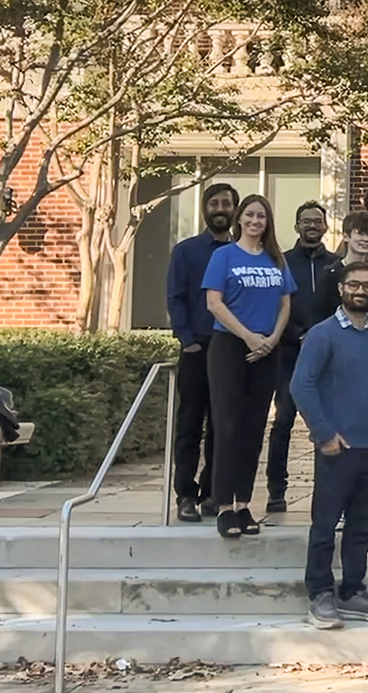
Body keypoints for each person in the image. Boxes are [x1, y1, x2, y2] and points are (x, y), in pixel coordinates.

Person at [292, 261, 368, 630]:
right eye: (353, 284)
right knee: (325, 525)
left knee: (361, 527)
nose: (360, 291)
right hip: (337, 448)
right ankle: (320, 593)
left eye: (367, 286)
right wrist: (323, 433)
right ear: (341, 289)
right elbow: (300, 386)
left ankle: (352, 591)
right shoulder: (323, 334)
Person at [202, 194, 294, 539]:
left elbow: (286, 305)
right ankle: (224, 506)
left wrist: (270, 339)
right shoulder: (224, 255)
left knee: (254, 430)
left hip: (266, 350)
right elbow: (214, 303)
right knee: (227, 427)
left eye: (262, 216)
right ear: (240, 219)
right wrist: (248, 337)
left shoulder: (276, 259)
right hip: (230, 347)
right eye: (250, 215)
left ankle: (243, 503)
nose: (256, 221)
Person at [166, 182, 238, 523]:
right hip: (198, 347)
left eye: (227, 203)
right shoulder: (187, 251)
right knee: (190, 424)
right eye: (215, 203)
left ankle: (212, 492)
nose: (220, 208)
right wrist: (186, 339)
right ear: (206, 209)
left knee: (223, 424)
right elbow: (175, 297)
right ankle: (185, 494)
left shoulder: (245, 253)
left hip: (231, 349)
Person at [320, 210, 368, 501]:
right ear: (346, 236)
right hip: (338, 357)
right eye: (359, 234)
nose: (365, 240)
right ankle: (335, 495)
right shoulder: (331, 274)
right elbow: (320, 315)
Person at [267, 201, 340, 513]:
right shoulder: (280, 262)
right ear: (296, 226)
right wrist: (297, 334)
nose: (312, 226)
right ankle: (276, 489)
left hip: (327, 356)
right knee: (284, 420)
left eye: (317, 221)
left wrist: (321, 337)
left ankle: (327, 489)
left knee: (326, 423)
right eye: (305, 221)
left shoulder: (336, 265)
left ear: (325, 227)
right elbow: (274, 306)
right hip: (289, 353)